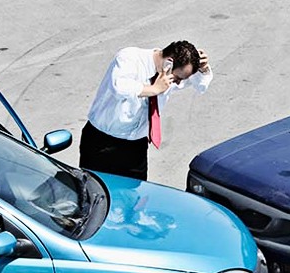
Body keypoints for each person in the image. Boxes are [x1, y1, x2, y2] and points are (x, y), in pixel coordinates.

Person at [80, 40, 212, 181]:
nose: (178, 83)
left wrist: (203, 69)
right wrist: (154, 89)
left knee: (135, 197)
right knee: (93, 195)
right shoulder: (129, 57)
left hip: (136, 148)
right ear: (169, 63)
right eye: (178, 78)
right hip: (102, 143)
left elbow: (200, 86)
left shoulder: (167, 75)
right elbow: (119, 87)